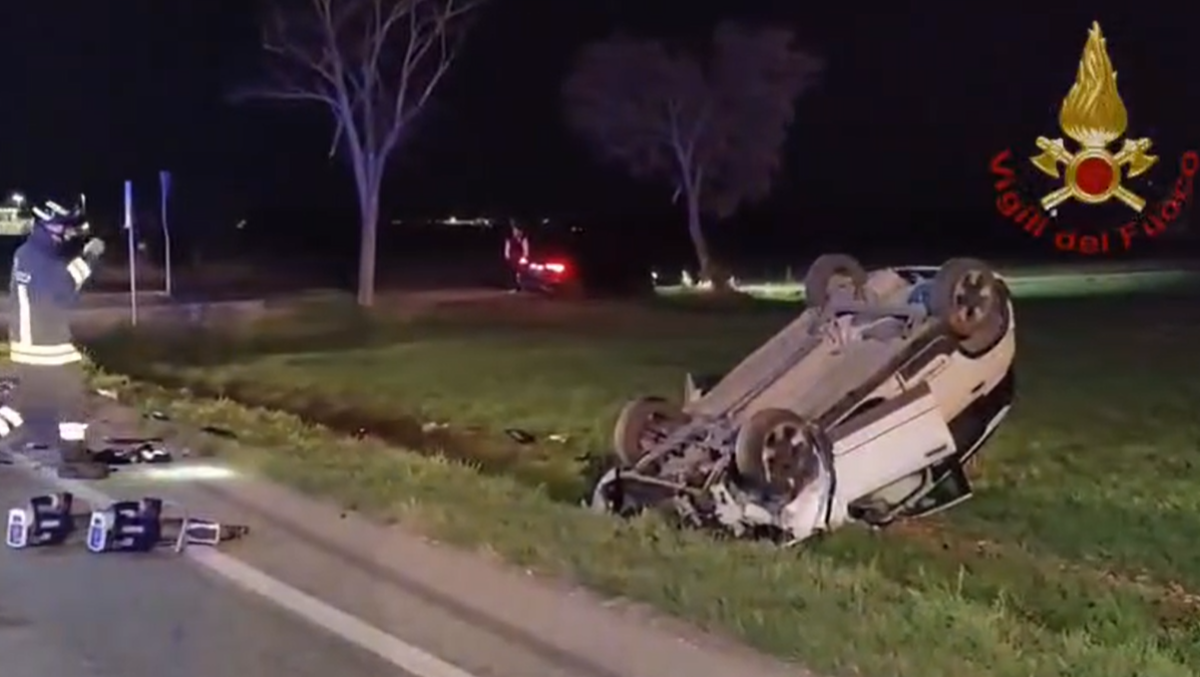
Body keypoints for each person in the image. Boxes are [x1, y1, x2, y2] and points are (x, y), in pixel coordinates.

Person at [7, 199, 107, 478]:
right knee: (70, 396)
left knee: (27, 401)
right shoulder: (39, 259)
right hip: (44, 343)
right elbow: (64, 290)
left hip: (35, 341)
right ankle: (73, 459)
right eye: (64, 227)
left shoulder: (30, 252)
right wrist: (89, 257)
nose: (69, 232)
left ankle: (74, 455)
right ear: (48, 224)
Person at [503, 221, 530, 292]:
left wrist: (525, 256)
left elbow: (525, 247)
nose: (514, 232)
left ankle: (520, 285)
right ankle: (515, 285)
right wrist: (507, 254)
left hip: (520, 256)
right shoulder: (509, 238)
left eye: (515, 230)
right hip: (513, 256)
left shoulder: (523, 238)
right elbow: (507, 246)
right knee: (513, 271)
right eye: (513, 230)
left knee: (520, 271)